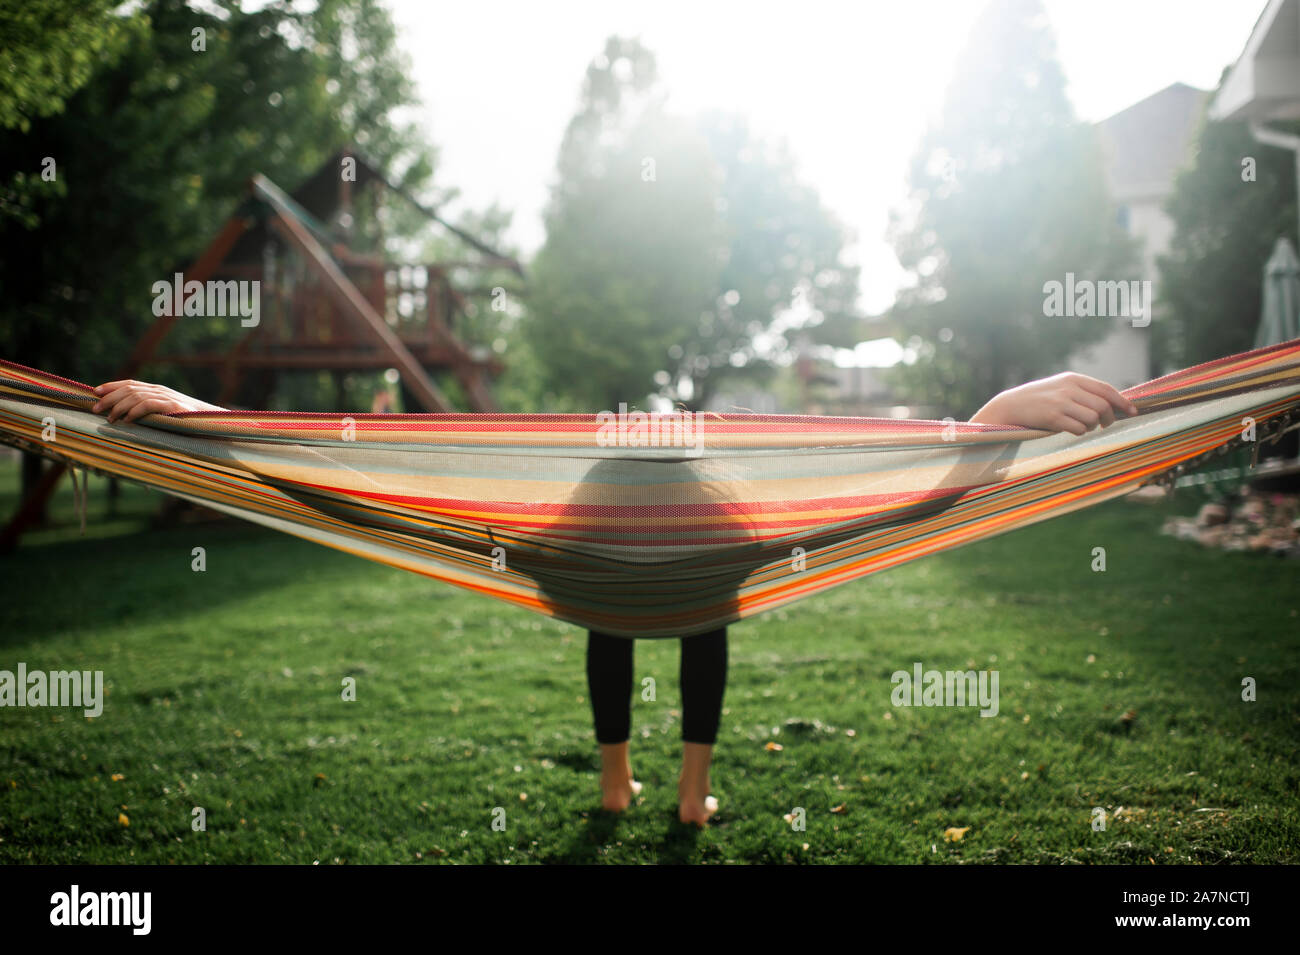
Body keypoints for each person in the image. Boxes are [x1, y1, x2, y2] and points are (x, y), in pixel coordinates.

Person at [90, 371, 1139, 827]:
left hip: (586, 563)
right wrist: (990, 419)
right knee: (703, 619)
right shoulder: (746, 542)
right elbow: (905, 507)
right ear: (693, 492)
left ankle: (617, 787)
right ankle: (685, 794)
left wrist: (210, 419)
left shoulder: (540, 545)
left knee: (622, 620)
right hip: (705, 563)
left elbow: (350, 501)